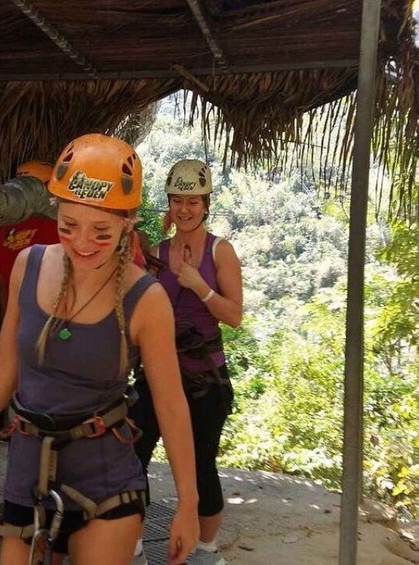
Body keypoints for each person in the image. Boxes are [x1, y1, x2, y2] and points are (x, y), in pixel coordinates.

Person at [0, 134, 200, 565]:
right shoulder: (29, 265)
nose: (82, 242)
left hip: (105, 477)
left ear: (127, 222)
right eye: (68, 226)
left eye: (100, 232)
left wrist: (188, 503)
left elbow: (170, 404)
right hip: (29, 469)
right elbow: (7, 360)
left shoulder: (147, 300)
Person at [129, 159, 243, 565]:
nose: (184, 209)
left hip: (204, 377)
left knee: (199, 464)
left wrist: (199, 286)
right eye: (177, 200)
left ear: (206, 204)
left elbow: (234, 315)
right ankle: (133, 541)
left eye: (193, 201)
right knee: (132, 455)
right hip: (158, 370)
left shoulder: (220, 251)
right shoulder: (158, 253)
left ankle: (206, 549)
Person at [0, 160, 61, 309]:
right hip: (55, 313)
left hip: (21, 315)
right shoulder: (61, 224)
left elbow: (1, 283)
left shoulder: (4, 231)